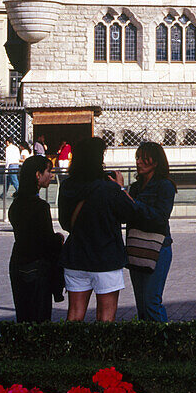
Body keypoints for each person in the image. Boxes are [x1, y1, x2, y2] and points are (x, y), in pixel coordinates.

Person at [58, 136, 138, 323]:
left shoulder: (67, 186)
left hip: (76, 257)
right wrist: (120, 187)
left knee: (75, 315)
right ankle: (101, 353)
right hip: (106, 257)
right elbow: (131, 212)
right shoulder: (108, 188)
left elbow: (64, 223)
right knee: (106, 317)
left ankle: (70, 350)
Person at [8, 155, 64, 322]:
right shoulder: (40, 207)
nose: (51, 175)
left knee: (23, 316)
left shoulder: (16, 204)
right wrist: (58, 239)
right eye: (49, 171)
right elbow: (46, 240)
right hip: (37, 268)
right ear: (37, 175)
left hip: (18, 263)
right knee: (39, 317)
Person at [126, 142, 176, 322]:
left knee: (151, 301)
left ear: (154, 162)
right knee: (141, 304)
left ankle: (164, 343)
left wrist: (132, 203)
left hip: (158, 247)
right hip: (137, 247)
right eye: (137, 158)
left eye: (142, 158)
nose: (138, 162)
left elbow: (160, 217)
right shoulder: (136, 187)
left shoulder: (165, 186)